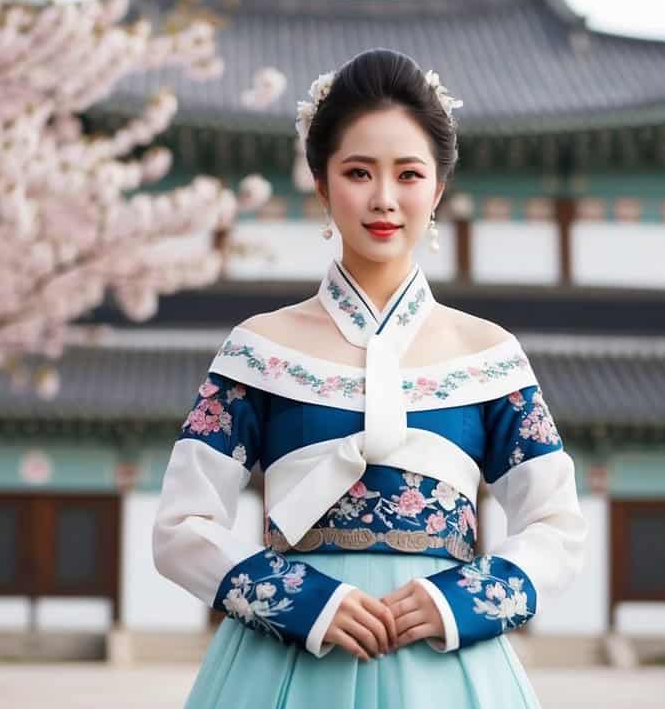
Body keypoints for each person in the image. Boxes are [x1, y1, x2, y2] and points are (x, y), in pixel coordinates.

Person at [152, 47, 588, 708]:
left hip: (449, 665)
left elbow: (557, 522)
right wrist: (304, 602)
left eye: (408, 174)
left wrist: (458, 601)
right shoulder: (258, 349)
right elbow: (181, 523)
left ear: (437, 188)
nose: (384, 198)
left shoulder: (489, 356)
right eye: (358, 171)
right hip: (287, 658)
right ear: (323, 185)